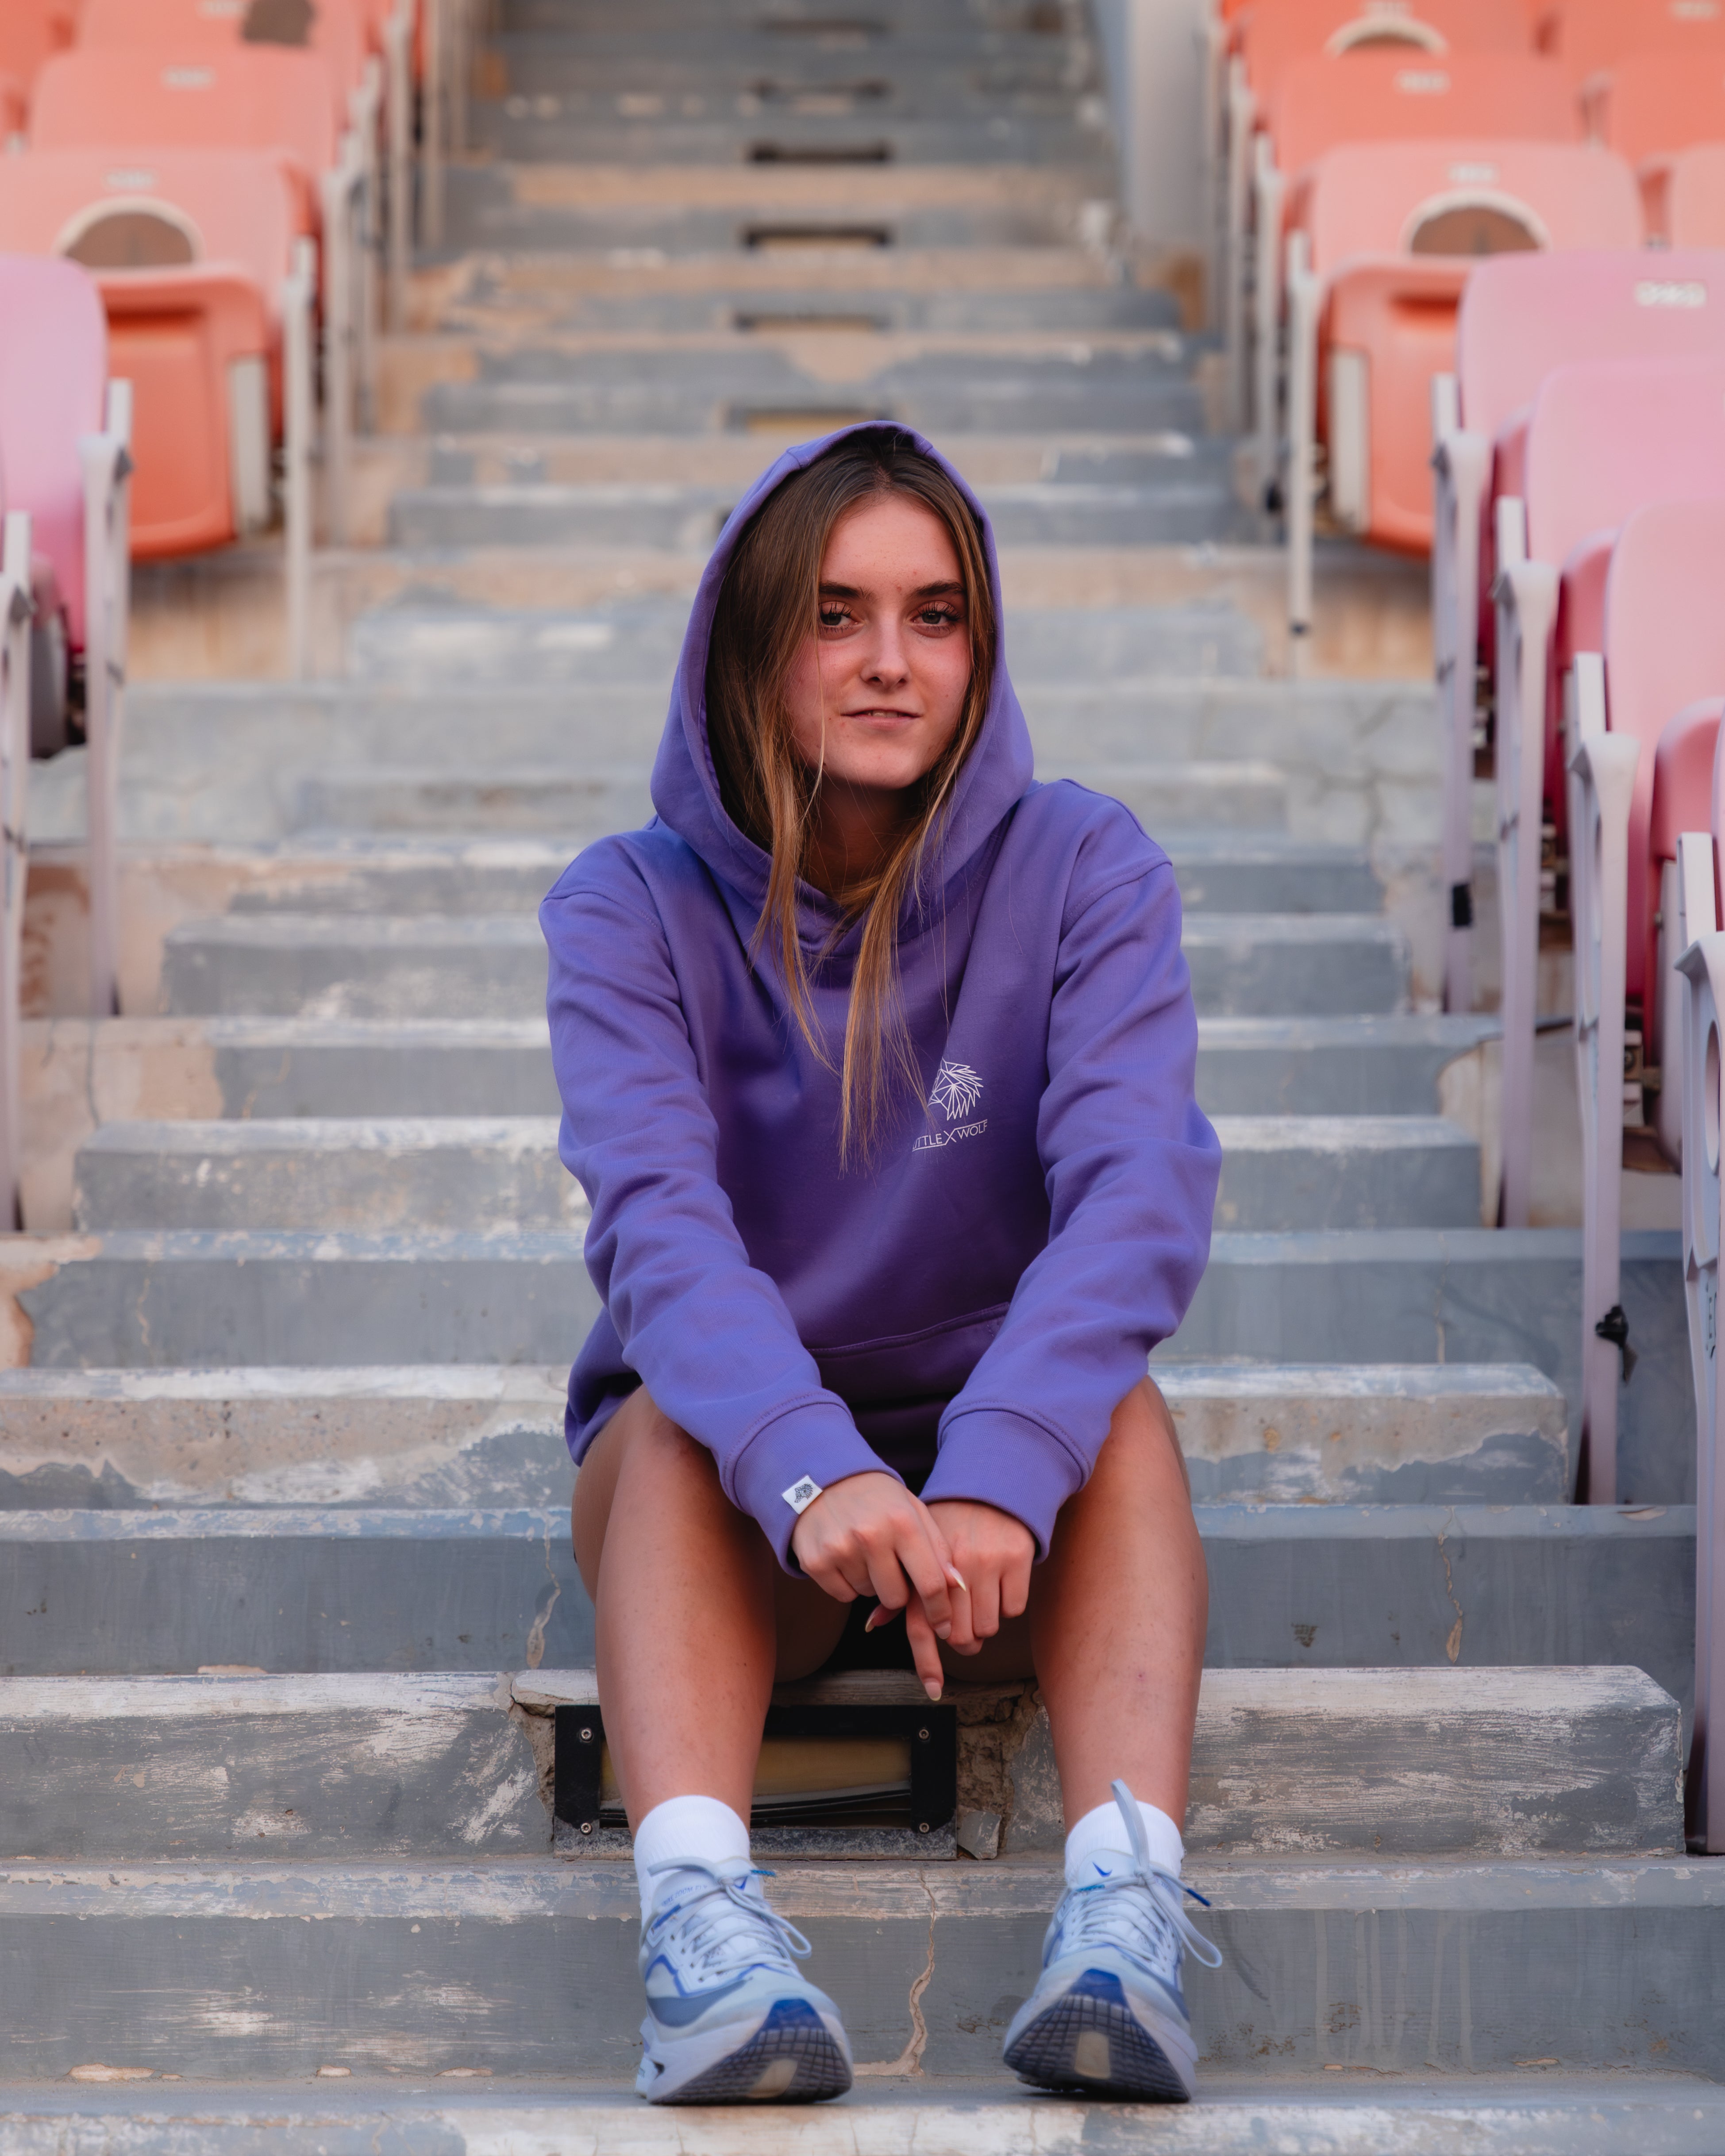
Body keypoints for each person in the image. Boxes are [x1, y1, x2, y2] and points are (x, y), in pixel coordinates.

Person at [541, 423, 1222, 2109]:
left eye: (934, 614)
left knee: (1115, 1410)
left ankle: (1121, 1922)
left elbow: (1138, 1191)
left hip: (1006, 1513)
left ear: (978, 646)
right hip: (733, 1491)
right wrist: (806, 1456)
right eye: (835, 615)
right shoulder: (626, 905)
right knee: (684, 1431)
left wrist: (997, 1470)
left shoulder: (1083, 865)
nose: (889, 661)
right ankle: (700, 1929)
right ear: (753, 643)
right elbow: (655, 1224)